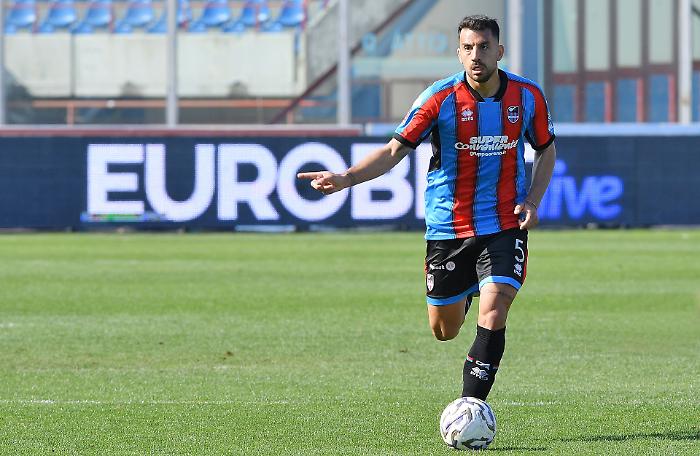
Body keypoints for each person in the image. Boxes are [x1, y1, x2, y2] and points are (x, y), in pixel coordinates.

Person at [298, 15, 556, 401]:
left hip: (504, 221)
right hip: (449, 226)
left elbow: (546, 149)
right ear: (459, 53)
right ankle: (464, 293)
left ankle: (471, 406)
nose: (476, 55)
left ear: (499, 51)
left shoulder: (527, 96)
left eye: (484, 47)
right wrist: (346, 178)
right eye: (468, 48)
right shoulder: (439, 98)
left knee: (496, 305)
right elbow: (393, 151)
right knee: (444, 330)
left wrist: (532, 200)